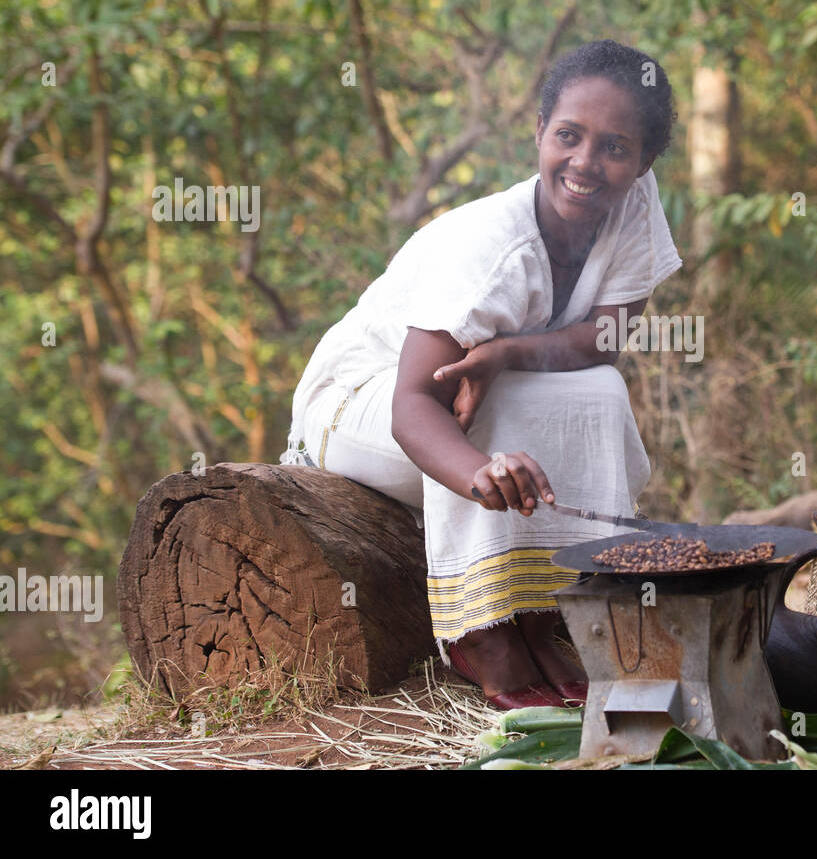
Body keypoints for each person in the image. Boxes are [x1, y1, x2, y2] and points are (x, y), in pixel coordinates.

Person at [280, 39, 682, 709]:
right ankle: (483, 626)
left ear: (644, 162)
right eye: (568, 136)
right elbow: (415, 403)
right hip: (356, 404)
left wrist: (509, 354)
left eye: (614, 148)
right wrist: (480, 475)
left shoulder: (637, 207)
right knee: (491, 409)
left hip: (450, 398)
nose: (586, 163)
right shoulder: (489, 248)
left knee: (600, 392)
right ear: (538, 133)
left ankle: (546, 609)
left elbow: (606, 340)